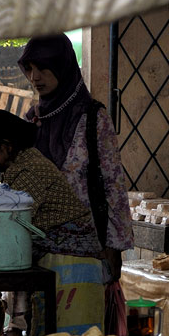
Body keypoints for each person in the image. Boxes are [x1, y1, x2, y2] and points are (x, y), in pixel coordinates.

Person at [0, 110, 105, 336]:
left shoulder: (28, 169)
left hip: (72, 266)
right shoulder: (18, 166)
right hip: (59, 262)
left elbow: (2, 223)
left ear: (7, 146)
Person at [18, 34, 133, 283]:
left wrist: (114, 247)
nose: (35, 77)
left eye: (43, 68)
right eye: (30, 69)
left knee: (81, 319)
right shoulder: (32, 120)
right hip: (36, 250)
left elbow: (113, 185)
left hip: (86, 250)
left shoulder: (93, 118)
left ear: (63, 65)